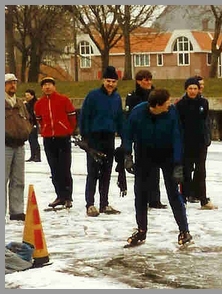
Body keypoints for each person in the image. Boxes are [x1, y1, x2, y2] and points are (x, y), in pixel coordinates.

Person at [121, 88, 192, 246]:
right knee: (141, 193)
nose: (170, 104)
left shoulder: (172, 112)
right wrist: (127, 155)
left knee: (173, 193)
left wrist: (178, 164)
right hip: (145, 154)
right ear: (157, 105)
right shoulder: (138, 112)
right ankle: (141, 231)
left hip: (167, 155)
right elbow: (128, 134)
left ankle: (184, 230)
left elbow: (177, 137)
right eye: (167, 102)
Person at [78, 66, 124, 217]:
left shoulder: (117, 98)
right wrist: (84, 137)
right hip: (94, 137)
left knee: (106, 171)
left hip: (109, 137)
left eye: (113, 81)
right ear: (103, 81)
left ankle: (104, 203)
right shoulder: (93, 96)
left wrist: (124, 135)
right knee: (93, 172)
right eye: (108, 81)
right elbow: (85, 116)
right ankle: (90, 204)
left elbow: (119, 118)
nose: (110, 84)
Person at [124, 69, 166, 209]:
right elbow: (130, 118)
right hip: (141, 137)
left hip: (157, 137)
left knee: (155, 170)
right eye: (144, 80)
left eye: (149, 79)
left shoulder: (157, 94)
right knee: (142, 170)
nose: (147, 82)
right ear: (138, 81)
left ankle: (155, 199)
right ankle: (142, 198)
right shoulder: (133, 96)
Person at [34, 77, 77, 209]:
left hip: (62, 138)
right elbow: (39, 120)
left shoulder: (63, 100)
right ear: (42, 88)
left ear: (54, 86)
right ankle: (60, 196)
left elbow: (72, 117)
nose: (47, 87)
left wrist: (68, 129)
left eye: (49, 84)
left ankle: (68, 197)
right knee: (54, 168)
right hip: (48, 138)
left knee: (65, 168)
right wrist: (45, 129)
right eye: (45, 85)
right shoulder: (39, 104)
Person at [175, 77, 216, 210]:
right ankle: (184, 198)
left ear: (199, 90)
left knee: (201, 172)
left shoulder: (203, 102)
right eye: (190, 88)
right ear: (186, 89)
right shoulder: (180, 104)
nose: (193, 91)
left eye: (195, 88)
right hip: (186, 143)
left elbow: (205, 122)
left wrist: (207, 138)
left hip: (200, 143)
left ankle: (203, 199)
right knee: (186, 171)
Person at [5, 73, 31, 221]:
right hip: (5, 146)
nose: (12, 85)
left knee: (18, 180)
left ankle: (16, 211)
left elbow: (28, 119)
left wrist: (27, 130)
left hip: (20, 145)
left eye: (14, 83)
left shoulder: (20, 103)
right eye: (9, 83)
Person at [23, 89, 41, 162]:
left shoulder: (35, 103)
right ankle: (33, 155)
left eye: (28, 95)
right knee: (31, 140)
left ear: (32, 96)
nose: (26, 97)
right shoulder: (28, 103)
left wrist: (35, 124)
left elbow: (33, 114)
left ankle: (37, 156)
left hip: (34, 124)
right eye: (25, 95)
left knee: (34, 140)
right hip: (29, 124)